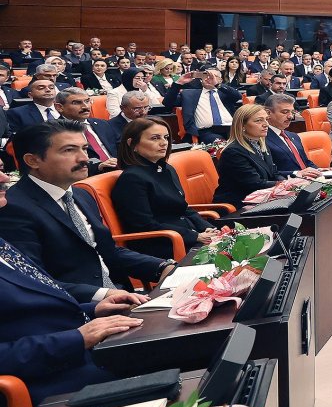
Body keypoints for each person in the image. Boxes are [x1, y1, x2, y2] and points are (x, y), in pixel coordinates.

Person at [0, 122, 175, 301]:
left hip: (121, 294)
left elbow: (105, 251)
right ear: (33, 160)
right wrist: (103, 295)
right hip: (77, 309)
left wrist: (161, 266)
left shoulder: (80, 194)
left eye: (84, 148)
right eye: (69, 150)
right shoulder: (13, 208)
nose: (84, 158)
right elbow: (33, 280)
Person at [0, 236, 147, 405]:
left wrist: (92, 310)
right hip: (47, 382)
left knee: (168, 348)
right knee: (168, 368)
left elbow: (32, 311)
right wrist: (77, 339)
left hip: (84, 355)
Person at [110, 117, 215, 248]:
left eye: (166, 137)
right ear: (132, 144)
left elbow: (183, 207)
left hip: (187, 235)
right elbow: (144, 225)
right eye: (155, 138)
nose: (164, 143)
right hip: (164, 243)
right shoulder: (132, 178)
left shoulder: (166, 169)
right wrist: (196, 236)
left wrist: (207, 228)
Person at [212, 104, 280, 209]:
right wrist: (286, 186)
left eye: (266, 119)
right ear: (242, 125)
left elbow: (274, 173)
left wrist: (293, 183)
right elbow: (255, 184)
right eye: (258, 121)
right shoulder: (233, 152)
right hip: (237, 206)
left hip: (261, 198)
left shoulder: (260, 143)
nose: (266, 124)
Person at [178, 68, 242, 143]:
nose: (208, 79)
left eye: (212, 77)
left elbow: (238, 96)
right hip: (207, 131)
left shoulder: (225, 93)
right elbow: (167, 103)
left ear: (220, 80)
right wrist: (179, 83)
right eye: (206, 76)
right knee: (220, 143)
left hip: (231, 129)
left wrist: (217, 85)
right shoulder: (190, 94)